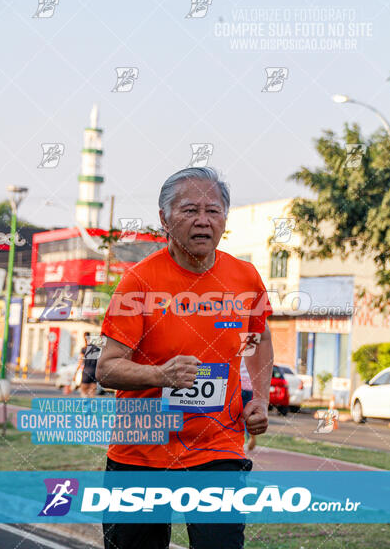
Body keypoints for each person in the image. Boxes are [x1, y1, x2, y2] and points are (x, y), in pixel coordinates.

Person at [97, 167, 274, 549]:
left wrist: (260, 398)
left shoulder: (246, 277)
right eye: (190, 210)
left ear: (225, 219)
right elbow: (106, 368)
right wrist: (161, 375)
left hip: (217, 445)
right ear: (164, 218)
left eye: (213, 211)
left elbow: (258, 342)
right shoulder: (138, 282)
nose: (203, 221)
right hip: (141, 448)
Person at [240, 356, 256, 451]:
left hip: (239, 385)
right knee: (247, 414)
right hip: (249, 387)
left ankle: (238, 438)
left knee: (236, 414)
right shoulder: (252, 355)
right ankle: (250, 436)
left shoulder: (239, 355)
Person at [75, 332, 97, 398]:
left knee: (83, 391)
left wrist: (75, 372)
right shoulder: (96, 348)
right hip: (94, 373)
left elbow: (80, 361)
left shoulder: (83, 349)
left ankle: (85, 406)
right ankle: (91, 407)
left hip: (86, 372)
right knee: (92, 393)